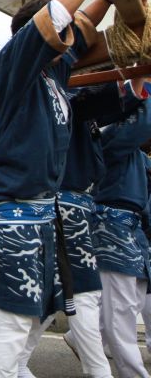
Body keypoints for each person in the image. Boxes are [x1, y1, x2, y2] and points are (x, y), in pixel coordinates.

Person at [0, 0, 130, 378]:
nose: (69, 45)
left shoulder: (55, 71)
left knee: (33, 314)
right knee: (13, 320)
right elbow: (54, 21)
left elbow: (80, 29)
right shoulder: (12, 67)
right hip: (12, 209)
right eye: (57, 35)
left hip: (41, 211)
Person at [16, 78, 145, 378]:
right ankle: (102, 372)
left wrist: (139, 87)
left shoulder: (75, 101)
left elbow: (116, 107)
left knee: (56, 296)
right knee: (84, 296)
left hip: (75, 205)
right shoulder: (60, 94)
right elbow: (128, 118)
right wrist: (140, 86)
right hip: (66, 204)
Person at [92, 92, 151, 378]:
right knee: (121, 311)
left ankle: (82, 338)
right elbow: (143, 123)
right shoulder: (107, 135)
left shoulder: (136, 153)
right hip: (113, 224)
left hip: (132, 228)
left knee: (133, 300)